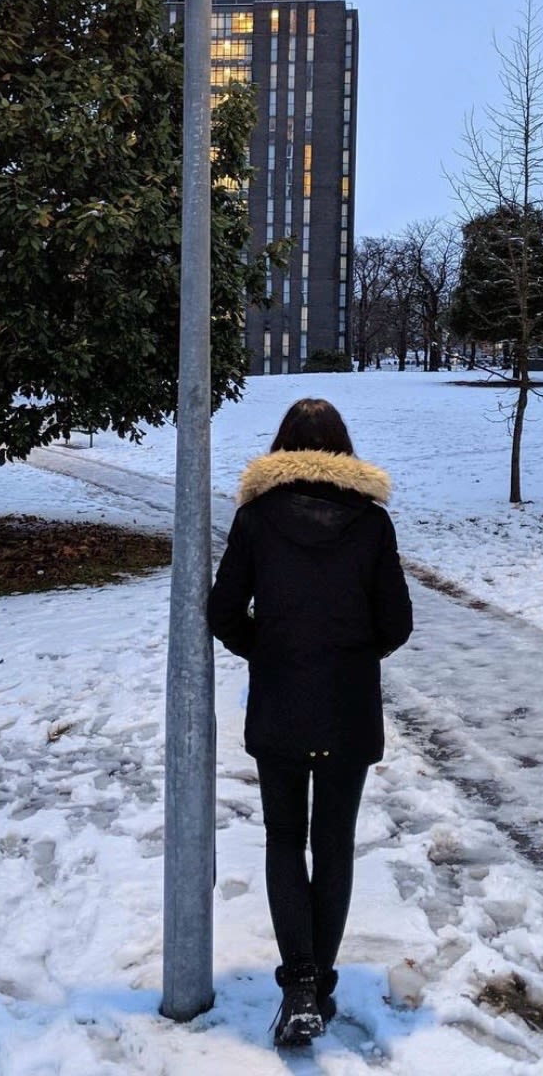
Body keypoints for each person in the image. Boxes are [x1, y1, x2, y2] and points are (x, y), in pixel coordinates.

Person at [208, 397, 412, 1047]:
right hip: (347, 702)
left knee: (281, 839)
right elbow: (396, 623)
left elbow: (222, 611)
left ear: (282, 447)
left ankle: (298, 983)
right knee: (332, 843)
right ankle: (314, 986)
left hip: (280, 700)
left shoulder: (256, 517)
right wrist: (352, 655)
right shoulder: (371, 524)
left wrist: (267, 647)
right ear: (342, 451)